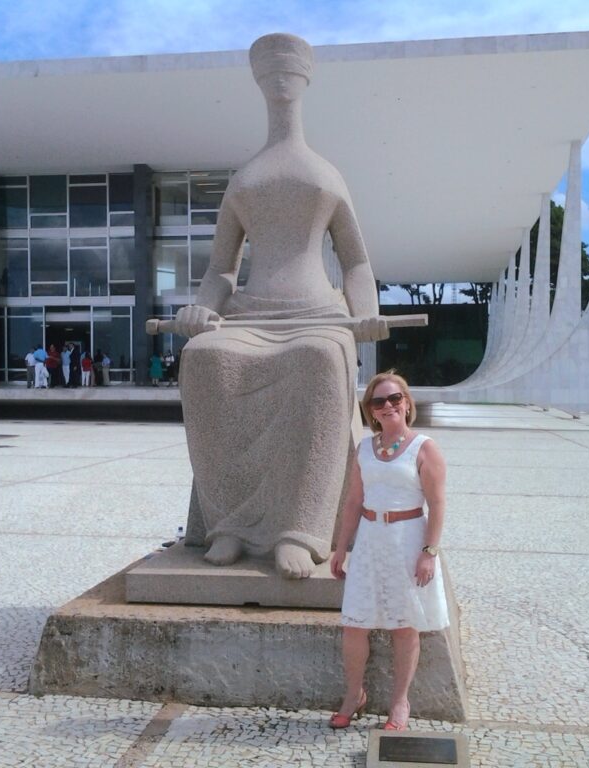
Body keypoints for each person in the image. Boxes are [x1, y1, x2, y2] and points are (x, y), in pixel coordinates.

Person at [170, 34, 386, 579]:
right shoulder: (245, 179)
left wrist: (364, 313)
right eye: (270, 75)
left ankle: (301, 529)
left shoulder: (325, 174)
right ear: (258, 83)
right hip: (249, 315)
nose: (281, 83)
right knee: (205, 360)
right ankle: (229, 525)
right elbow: (222, 269)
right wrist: (201, 310)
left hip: (319, 314)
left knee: (316, 360)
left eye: (289, 73)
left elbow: (356, 263)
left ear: (305, 80)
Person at [329, 371, 449, 732]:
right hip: (369, 539)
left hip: (407, 538)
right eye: (379, 401)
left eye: (395, 398)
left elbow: (438, 503)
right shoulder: (365, 447)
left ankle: (399, 702)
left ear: (407, 402)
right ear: (371, 410)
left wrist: (429, 551)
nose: (388, 406)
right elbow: (353, 501)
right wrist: (341, 548)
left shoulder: (423, 447)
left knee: (403, 624)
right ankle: (354, 695)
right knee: (354, 623)